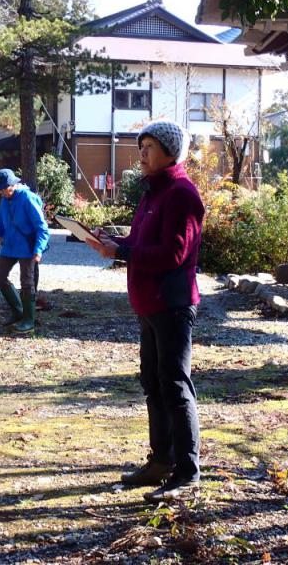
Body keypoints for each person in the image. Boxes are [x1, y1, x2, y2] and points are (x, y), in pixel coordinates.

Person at [87, 120, 205, 503]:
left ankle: (187, 472)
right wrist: (112, 241)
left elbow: (174, 254)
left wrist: (121, 251)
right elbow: (140, 241)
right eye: (141, 146)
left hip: (172, 305)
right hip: (148, 305)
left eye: (149, 147)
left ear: (170, 153)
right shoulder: (153, 192)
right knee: (153, 384)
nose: (142, 153)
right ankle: (161, 461)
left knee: (175, 386)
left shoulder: (182, 194)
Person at [0, 168, 49, 334]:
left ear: (12, 185)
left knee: (27, 283)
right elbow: (1, 226)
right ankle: (18, 311)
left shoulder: (27, 198)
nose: (1, 192)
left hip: (27, 248)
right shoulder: (4, 200)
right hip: (9, 246)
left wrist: (38, 249)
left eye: (3, 189)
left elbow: (42, 228)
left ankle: (29, 320)